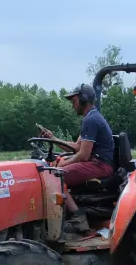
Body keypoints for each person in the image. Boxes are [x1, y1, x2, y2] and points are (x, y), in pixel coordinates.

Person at [38, 83, 116, 232]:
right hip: (95, 162)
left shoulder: (91, 120)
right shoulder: (91, 117)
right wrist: (53, 138)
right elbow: (76, 147)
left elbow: (83, 155)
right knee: (56, 165)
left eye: (73, 101)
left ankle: (78, 218)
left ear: (83, 99)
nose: (72, 105)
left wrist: (61, 165)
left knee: (55, 176)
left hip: (100, 165)